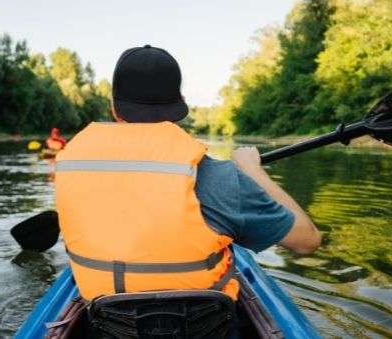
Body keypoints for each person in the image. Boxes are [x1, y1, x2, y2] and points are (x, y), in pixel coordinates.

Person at [54, 45, 320, 336]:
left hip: (110, 327)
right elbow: (307, 241)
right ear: (180, 105)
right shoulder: (220, 178)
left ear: (115, 109)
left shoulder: (72, 168)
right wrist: (254, 172)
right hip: (207, 328)